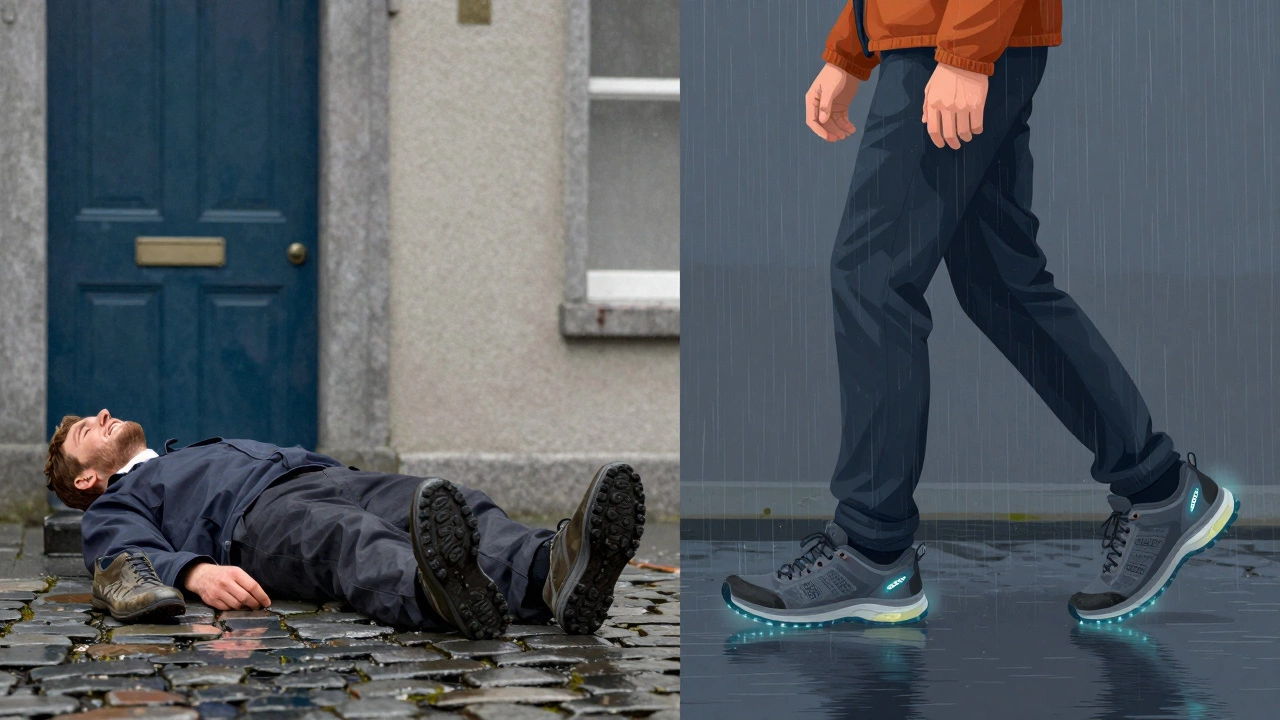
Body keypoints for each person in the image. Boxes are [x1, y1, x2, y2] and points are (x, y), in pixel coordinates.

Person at [722, 0, 1238, 627]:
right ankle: (1160, 490)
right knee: (1000, 283)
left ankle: (872, 548)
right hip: (942, 37)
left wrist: (964, 53)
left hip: (956, 40)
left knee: (873, 277)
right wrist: (851, 48)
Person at [44, 409, 646, 639]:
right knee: (348, 542)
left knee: (457, 504)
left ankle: (551, 573)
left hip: (325, 474)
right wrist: (195, 571)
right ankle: (437, 594)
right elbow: (119, 558)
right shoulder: (113, 504)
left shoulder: (171, 459)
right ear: (85, 481)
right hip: (256, 521)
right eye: (85, 433)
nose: (102, 414)